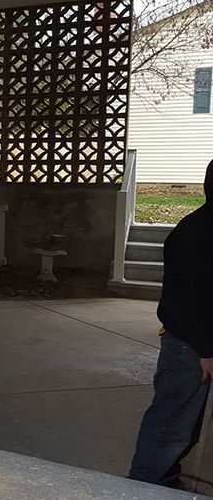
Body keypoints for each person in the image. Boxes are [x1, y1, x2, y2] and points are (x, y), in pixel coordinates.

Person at [129, 159, 213, 487]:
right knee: (170, 427)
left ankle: (165, 479)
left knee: (187, 429)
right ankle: (138, 489)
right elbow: (182, 302)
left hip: (199, 345)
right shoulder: (195, 233)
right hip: (189, 348)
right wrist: (206, 349)